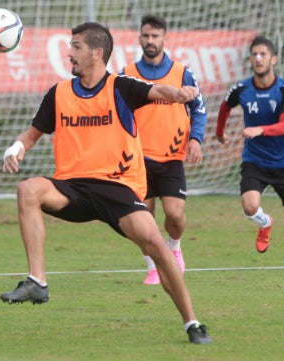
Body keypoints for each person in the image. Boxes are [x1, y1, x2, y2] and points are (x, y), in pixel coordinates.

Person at [0, 22, 212, 344]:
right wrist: (15, 150)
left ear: (97, 53)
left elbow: (159, 92)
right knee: (28, 188)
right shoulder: (59, 92)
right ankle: (37, 282)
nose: (69, 53)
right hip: (71, 187)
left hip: (117, 187)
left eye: (76, 47)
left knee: (156, 244)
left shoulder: (121, 86)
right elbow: (30, 135)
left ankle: (192, 322)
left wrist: (178, 94)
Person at [215, 35, 284, 270]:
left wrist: (259, 129)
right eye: (254, 54)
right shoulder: (241, 89)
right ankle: (266, 222)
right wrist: (220, 133)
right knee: (249, 206)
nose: (258, 58)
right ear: (250, 59)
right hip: (255, 161)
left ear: (273, 59)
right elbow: (225, 107)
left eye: (263, 54)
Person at [121, 14, 207, 285]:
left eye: (155, 36)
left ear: (165, 39)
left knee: (175, 214)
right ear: (139, 37)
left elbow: (199, 110)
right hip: (137, 159)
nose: (150, 41)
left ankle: (175, 247)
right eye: (146, 36)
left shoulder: (183, 73)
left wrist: (196, 139)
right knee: (141, 219)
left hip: (171, 157)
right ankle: (153, 266)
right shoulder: (127, 74)